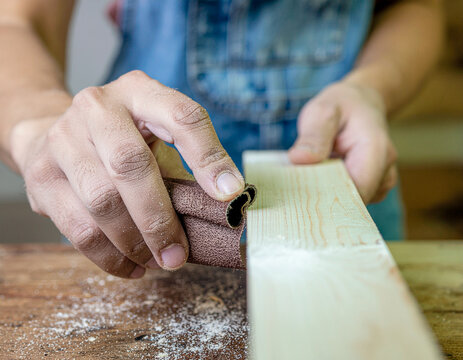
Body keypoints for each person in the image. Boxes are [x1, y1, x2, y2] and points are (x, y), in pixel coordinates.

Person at [0, 0, 443, 278]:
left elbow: (417, 7)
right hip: (131, 197)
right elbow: (17, 22)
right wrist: (38, 127)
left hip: (348, 182)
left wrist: (371, 87)